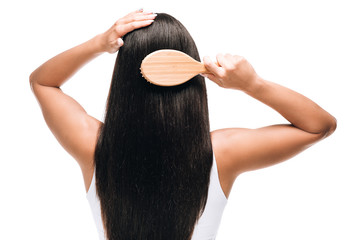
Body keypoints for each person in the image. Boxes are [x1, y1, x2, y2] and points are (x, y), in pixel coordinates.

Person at [29, 9, 336, 240]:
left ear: (122, 79)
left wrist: (99, 43)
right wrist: (252, 84)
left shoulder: (91, 144)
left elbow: (43, 82)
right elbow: (319, 126)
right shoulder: (222, 153)